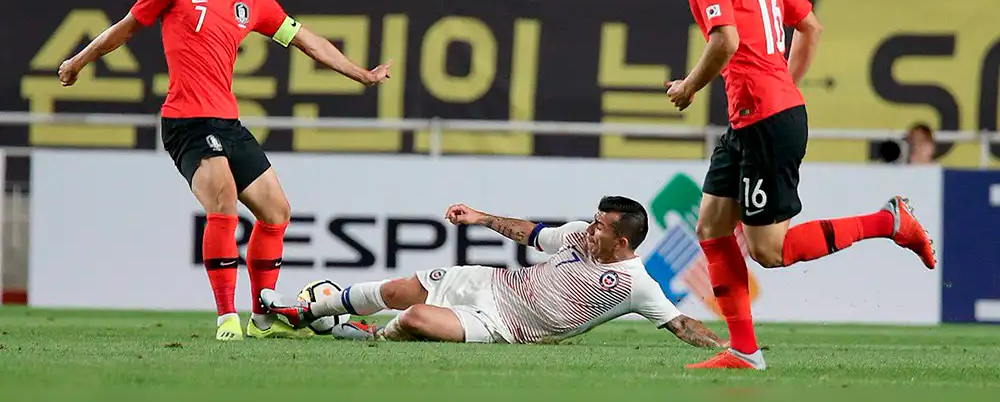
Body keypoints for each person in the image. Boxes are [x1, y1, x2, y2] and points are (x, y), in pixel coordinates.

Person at [57, 0, 392, 341]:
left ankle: (263, 319)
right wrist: (77, 62)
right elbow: (123, 28)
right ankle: (226, 318)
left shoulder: (256, 4)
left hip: (228, 123)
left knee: (276, 211)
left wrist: (361, 74)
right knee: (224, 203)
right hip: (186, 121)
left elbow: (309, 41)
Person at [664, 0, 936, 371]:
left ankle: (890, 221)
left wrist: (688, 87)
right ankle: (744, 350)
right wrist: (783, 83)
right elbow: (811, 26)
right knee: (712, 225)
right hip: (757, 115)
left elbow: (726, 41)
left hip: (764, 118)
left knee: (769, 251)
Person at [261, 196, 727, 349]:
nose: (591, 228)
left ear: (621, 242)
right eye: (594, 220)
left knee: (415, 318)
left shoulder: (636, 284)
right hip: (490, 282)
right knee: (398, 290)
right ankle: (306, 312)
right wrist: (481, 218)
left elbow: (681, 324)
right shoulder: (576, 235)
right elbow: (531, 233)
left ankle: (365, 335)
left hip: (503, 326)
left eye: (601, 226)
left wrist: (728, 348)